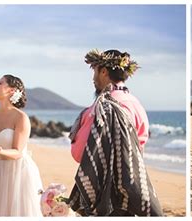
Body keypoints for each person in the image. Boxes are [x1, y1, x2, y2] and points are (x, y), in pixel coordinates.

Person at [68, 49, 163, 216]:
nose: (93, 78)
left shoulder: (103, 106)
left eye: (95, 71)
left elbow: (81, 152)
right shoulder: (136, 104)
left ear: (103, 71)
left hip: (104, 192)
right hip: (131, 186)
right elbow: (141, 142)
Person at [0, 74, 43, 216]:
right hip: (0, 172)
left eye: (0, 83)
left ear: (12, 90)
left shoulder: (21, 117)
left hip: (20, 172)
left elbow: (18, 152)